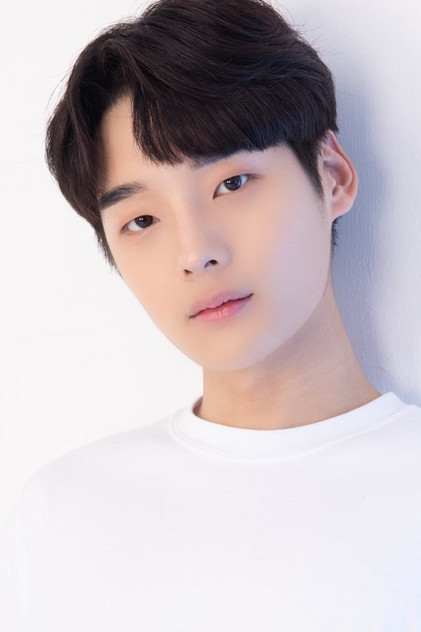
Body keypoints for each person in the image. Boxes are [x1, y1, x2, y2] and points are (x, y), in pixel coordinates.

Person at [1, 0, 420, 629]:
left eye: (232, 183)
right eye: (142, 219)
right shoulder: (61, 514)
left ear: (332, 175)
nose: (195, 252)